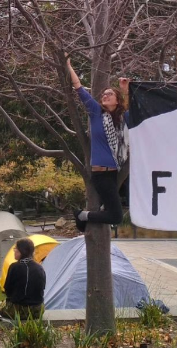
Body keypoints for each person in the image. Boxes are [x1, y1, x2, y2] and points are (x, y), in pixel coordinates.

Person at [67, 55, 129, 232]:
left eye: (110, 94)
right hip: (101, 174)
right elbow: (79, 88)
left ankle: (84, 219)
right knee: (116, 216)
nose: (105, 96)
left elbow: (134, 109)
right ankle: (82, 215)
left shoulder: (123, 120)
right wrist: (68, 66)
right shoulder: (96, 113)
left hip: (116, 173)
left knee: (115, 209)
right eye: (104, 94)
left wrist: (125, 90)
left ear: (117, 100)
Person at [0, 238, 46, 320]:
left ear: (21, 251)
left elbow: (7, 290)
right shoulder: (39, 268)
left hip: (18, 311)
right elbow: (42, 289)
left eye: (15, 248)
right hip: (37, 311)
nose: (14, 251)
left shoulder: (14, 267)